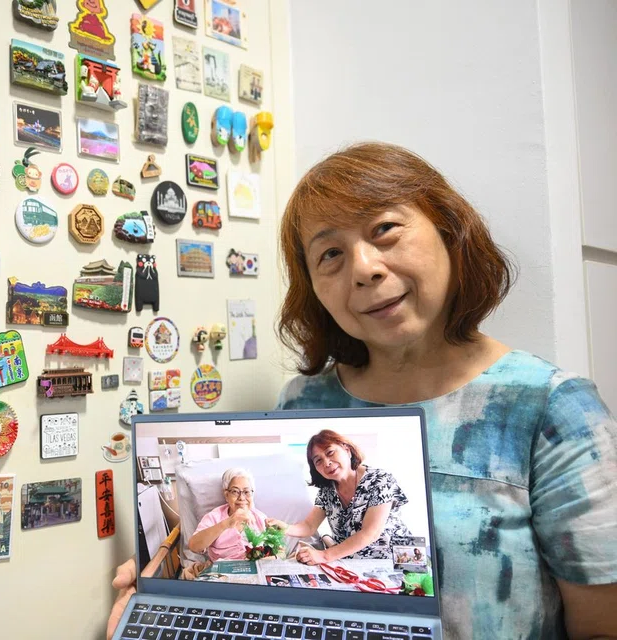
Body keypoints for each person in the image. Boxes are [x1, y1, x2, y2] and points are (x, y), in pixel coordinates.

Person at [107, 142, 617, 640]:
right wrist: (177, 593)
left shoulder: (552, 408)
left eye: (385, 230)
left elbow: (601, 627)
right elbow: (297, 546)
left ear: (449, 233)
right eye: (330, 253)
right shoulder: (302, 403)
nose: (364, 268)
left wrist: (322, 553)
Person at [266, 430, 413, 563]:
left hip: (397, 563)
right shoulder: (327, 491)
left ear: (347, 450)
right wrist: (286, 528)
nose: (327, 463)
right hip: (352, 565)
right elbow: (309, 526)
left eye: (330, 453)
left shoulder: (380, 480)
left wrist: (324, 555)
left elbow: (370, 533)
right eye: (318, 461)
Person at [187, 468, 268, 562]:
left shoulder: (260, 518)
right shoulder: (214, 517)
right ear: (226, 495)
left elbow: (278, 549)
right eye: (235, 491)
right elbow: (194, 546)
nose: (241, 498)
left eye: (246, 492)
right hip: (222, 573)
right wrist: (227, 523)